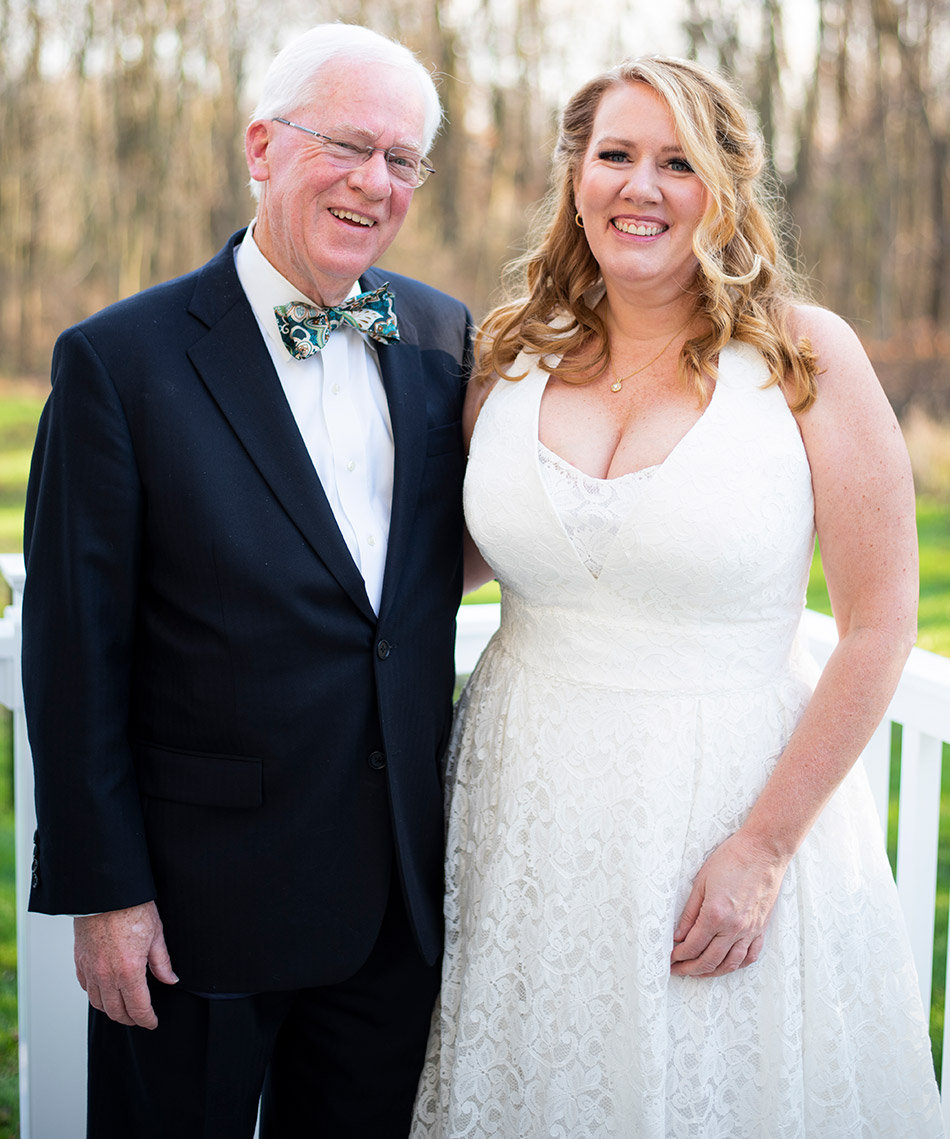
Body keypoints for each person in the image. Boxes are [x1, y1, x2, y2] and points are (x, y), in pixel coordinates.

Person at [411, 55, 944, 1138]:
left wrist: (760, 849)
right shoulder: (507, 353)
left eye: (676, 163)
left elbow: (879, 620)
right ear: (574, 178)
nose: (638, 187)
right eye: (613, 155)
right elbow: (436, 560)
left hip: (727, 807)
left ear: (725, 186)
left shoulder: (802, 356)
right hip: (524, 809)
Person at [22, 23, 470, 1139]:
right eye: (347, 145)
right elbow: (73, 650)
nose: (375, 181)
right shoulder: (117, 362)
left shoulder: (440, 338)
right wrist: (105, 891)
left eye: (403, 159)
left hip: (394, 907)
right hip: (192, 912)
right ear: (262, 147)